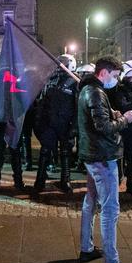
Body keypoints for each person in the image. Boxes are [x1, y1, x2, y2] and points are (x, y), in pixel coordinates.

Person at [77, 55, 132, 263]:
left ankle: (86, 248)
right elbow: (102, 127)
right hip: (102, 156)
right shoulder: (95, 92)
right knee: (110, 209)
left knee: (91, 201)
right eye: (115, 75)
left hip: (92, 153)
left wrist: (113, 114)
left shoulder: (90, 90)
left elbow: (98, 118)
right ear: (104, 72)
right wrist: (125, 119)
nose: (116, 80)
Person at [34, 54, 78, 193]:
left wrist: (75, 127)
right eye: (59, 63)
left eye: (63, 63)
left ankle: (65, 181)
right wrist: (39, 122)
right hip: (49, 123)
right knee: (45, 151)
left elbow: (78, 107)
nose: (60, 66)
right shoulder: (50, 80)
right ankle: (40, 180)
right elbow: (42, 102)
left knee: (65, 153)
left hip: (66, 124)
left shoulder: (75, 82)